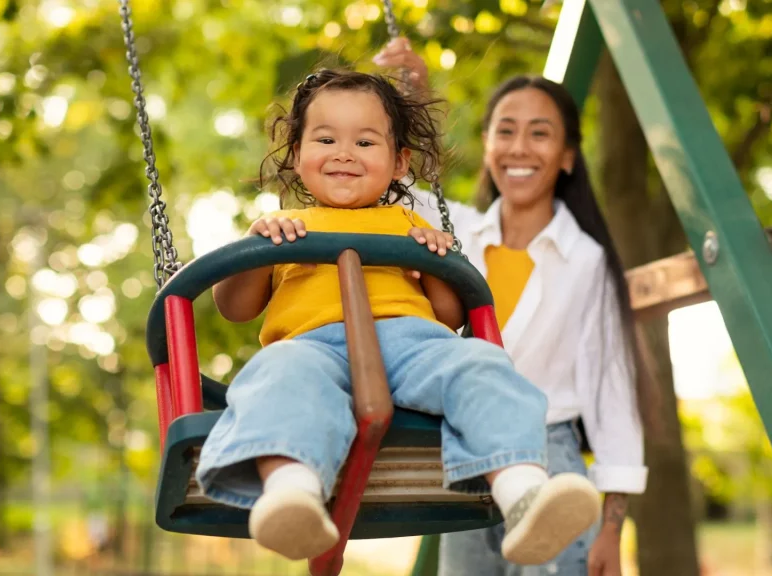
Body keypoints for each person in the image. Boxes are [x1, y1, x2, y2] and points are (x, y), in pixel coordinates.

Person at [194, 69, 603, 566]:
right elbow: (234, 308)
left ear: (399, 163)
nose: (345, 153)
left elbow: (450, 315)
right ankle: (292, 496)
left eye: (365, 142)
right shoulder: (284, 228)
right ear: (297, 154)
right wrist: (256, 250)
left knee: (480, 363)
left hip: (413, 345)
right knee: (278, 374)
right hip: (310, 348)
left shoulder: (410, 222)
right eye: (326, 139)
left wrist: (434, 261)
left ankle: (523, 494)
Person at [374, 39, 653, 576]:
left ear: (568, 155)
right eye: (505, 131)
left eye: (539, 133)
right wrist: (414, 101)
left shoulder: (586, 260)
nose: (519, 147)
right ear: (486, 146)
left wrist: (613, 528)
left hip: (549, 457)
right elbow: (391, 188)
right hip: (466, 461)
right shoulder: (456, 233)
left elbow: (611, 392)